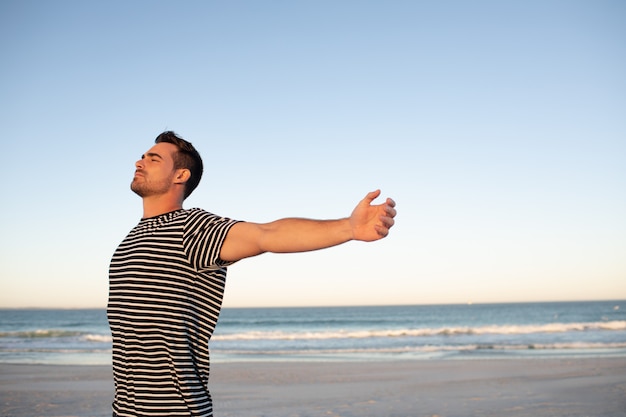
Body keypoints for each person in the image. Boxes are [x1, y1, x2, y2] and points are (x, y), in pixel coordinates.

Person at [107, 131, 397, 417]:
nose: (139, 162)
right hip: (125, 410)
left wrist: (347, 228)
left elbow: (265, 234)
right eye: (143, 156)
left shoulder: (191, 229)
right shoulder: (132, 237)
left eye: (153, 159)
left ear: (180, 176)